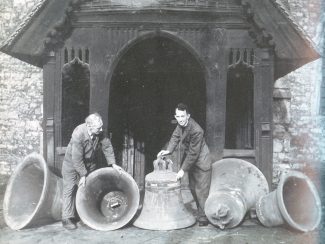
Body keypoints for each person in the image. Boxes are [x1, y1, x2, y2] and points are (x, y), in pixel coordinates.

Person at [61, 113, 123, 230]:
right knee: (70, 189)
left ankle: (84, 215)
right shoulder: (78, 133)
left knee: (87, 188)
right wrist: (83, 175)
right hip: (72, 165)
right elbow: (77, 158)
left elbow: (107, 146)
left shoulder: (99, 131)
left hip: (89, 164)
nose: (101, 130)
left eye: (101, 127)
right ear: (89, 126)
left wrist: (113, 164)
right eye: (98, 128)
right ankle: (67, 218)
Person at [157, 103, 211, 226]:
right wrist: (168, 150)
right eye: (178, 116)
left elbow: (193, 153)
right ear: (175, 116)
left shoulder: (196, 130)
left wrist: (182, 170)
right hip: (192, 161)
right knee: (193, 188)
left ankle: (204, 218)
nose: (180, 119)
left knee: (201, 191)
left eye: (182, 116)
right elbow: (175, 137)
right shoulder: (180, 125)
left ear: (188, 115)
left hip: (202, 162)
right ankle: (201, 213)